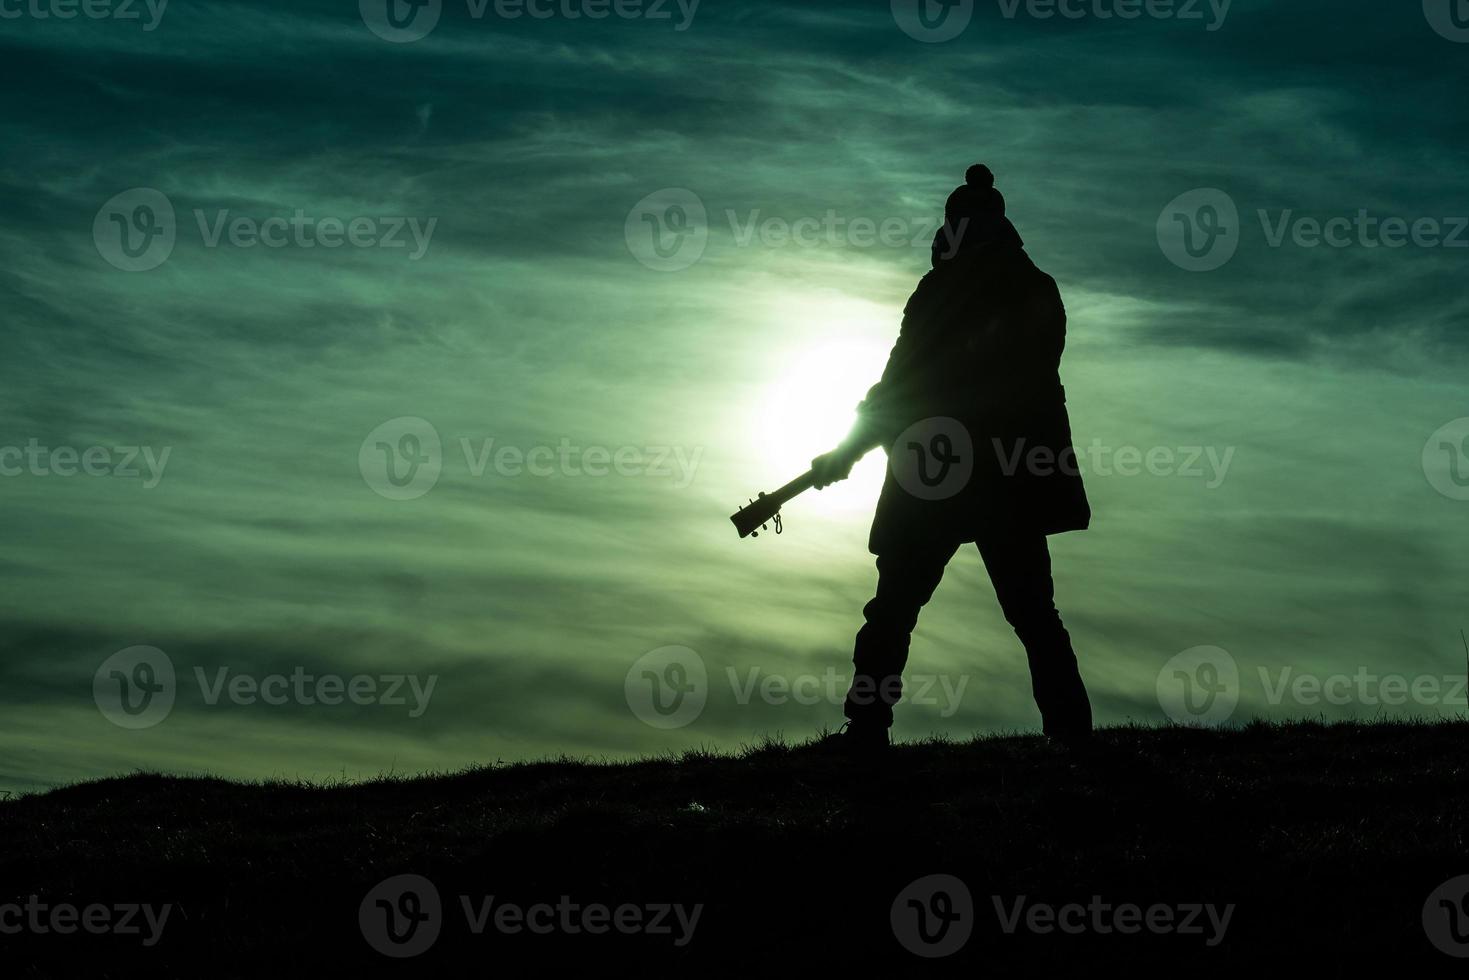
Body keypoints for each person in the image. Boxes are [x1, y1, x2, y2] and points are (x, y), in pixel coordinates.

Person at [810, 164, 1093, 751]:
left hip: (938, 468)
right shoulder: (1035, 285)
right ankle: (1070, 734)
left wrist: (848, 450)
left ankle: (866, 729)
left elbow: (899, 387)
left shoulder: (941, 292)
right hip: (1003, 472)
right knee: (1032, 613)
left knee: (896, 608)